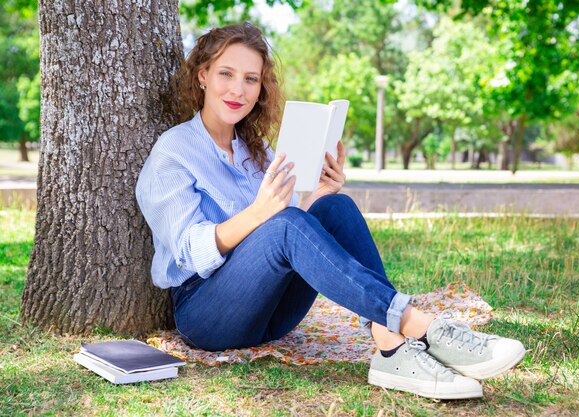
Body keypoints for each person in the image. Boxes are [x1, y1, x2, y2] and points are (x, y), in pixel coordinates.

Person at [136, 22, 525, 400]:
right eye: (226, 74)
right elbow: (189, 250)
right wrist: (258, 213)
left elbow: (289, 239)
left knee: (334, 206)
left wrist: (319, 194)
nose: (238, 89)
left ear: (261, 87)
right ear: (202, 75)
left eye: (251, 79)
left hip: (273, 316)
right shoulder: (174, 152)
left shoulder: (256, 151)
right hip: (209, 315)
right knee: (286, 223)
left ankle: (390, 347)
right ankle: (417, 326)